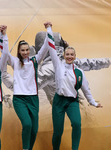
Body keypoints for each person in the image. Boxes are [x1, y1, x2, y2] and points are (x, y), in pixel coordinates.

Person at [45, 22, 103, 150]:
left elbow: (86, 89)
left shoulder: (79, 71)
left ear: (75, 56)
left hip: (72, 102)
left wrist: (93, 102)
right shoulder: (58, 65)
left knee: (77, 124)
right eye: (67, 54)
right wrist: (49, 29)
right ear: (64, 56)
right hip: (58, 101)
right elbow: (51, 47)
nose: (70, 56)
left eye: (72, 54)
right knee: (58, 131)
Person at [3, 22, 49, 150]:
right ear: (19, 51)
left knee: (34, 130)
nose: (25, 52)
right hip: (19, 99)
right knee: (27, 124)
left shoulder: (35, 60)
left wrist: (49, 29)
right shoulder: (15, 62)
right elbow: (5, 52)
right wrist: (3, 35)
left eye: (27, 50)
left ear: (30, 50)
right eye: (22, 50)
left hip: (33, 99)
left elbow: (45, 47)